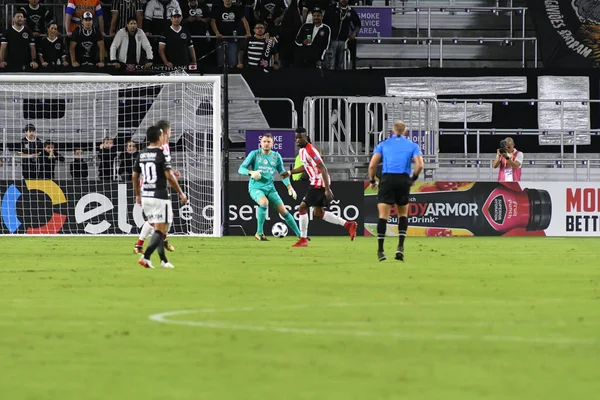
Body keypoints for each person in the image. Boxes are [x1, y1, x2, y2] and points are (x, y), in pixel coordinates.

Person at [281, 127, 357, 247]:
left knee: (302, 208)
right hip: (316, 182)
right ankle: (348, 225)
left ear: (306, 137)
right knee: (318, 212)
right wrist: (290, 173)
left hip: (319, 183)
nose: (297, 140)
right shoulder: (302, 151)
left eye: (300, 137)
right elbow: (305, 167)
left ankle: (303, 239)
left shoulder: (311, 150)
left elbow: (323, 168)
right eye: (296, 138)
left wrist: (327, 189)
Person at [367, 121, 423, 262]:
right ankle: (400, 247)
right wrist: (412, 178)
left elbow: (372, 165)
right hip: (403, 180)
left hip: (387, 179)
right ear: (405, 131)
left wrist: (373, 181)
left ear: (392, 130)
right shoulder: (412, 145)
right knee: (402, 214)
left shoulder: (384, 144)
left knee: (383, 216)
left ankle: (380, 250)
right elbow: (420, 165)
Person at [133, 125, 188, 269]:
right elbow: (168, 176)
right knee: (160, 229)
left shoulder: (142, 154)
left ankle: (163, 260)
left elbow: (134, 175)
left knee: (159, 228)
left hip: (146, 195)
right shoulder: (160, 153)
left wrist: (138, 195)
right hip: (159, 195)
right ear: (159, 137)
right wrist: (181, 193)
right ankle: (146, 257)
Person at [238, 133, 301, 241]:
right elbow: (241, 168)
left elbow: (282, 173)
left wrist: (289, 187)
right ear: (260, 143)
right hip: (256, 187)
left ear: (272, 144)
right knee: (264, 202)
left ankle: (301, 236)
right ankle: (259, 233)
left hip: (270, 188)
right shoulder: (254, 154)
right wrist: (251, 172)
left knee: (284, 211)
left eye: (268, 142)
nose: (266, 144)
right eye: (264, 141)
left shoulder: (276, 157)